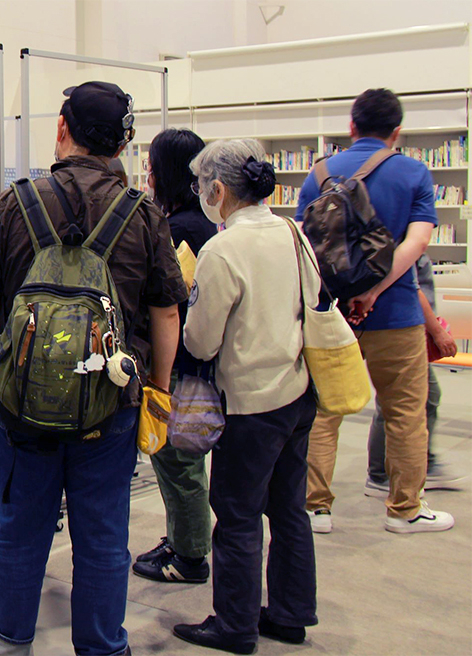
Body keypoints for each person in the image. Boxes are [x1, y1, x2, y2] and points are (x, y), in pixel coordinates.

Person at [0, 82, 185, 656]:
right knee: (104, 535)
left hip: (20, 403)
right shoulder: (143, 214)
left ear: (61, 128)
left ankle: (10, 643)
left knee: (19, 530)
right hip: (111, 401)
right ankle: (102, 646)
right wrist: (157, 389)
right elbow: (165, 309)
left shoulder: (15, 203)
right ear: (123, 142)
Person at [173, 139, 320, 655]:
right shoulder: (291, 231)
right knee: (288, 508)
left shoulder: (222, 250)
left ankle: (234, 625)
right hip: (299, 391)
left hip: (248, 403)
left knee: (235, 514)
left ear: (218, 189)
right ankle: (290, 612)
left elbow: (200, 340)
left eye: (202, 187)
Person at [297, 89, 455, 535]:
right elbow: (418, 242)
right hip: (397, 313)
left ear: (352, 126)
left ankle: (315, 507)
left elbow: (306, 244)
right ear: (397, 131)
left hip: (332, 315)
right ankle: (405, 509)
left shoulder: (320, 172)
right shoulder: (414, 172)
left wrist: (347, 296)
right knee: (406, 411)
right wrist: (376, 290)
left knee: (324, 411)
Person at [133, 128, 216, 584]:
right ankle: (185, 540)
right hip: (195, 364)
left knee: (180, 462)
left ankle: (189, 555)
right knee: (184, 461)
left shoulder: (179, 229)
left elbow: (168, 302)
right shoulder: (201, 223)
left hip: (178, 367)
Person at [366, 254, 463, 494]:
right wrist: (438, 331)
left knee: (407, 399)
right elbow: (412, 288)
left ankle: (389, 471)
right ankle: (384, 474)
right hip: (403, 330)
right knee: (403, 400)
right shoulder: (406, 243)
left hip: (405, 328)